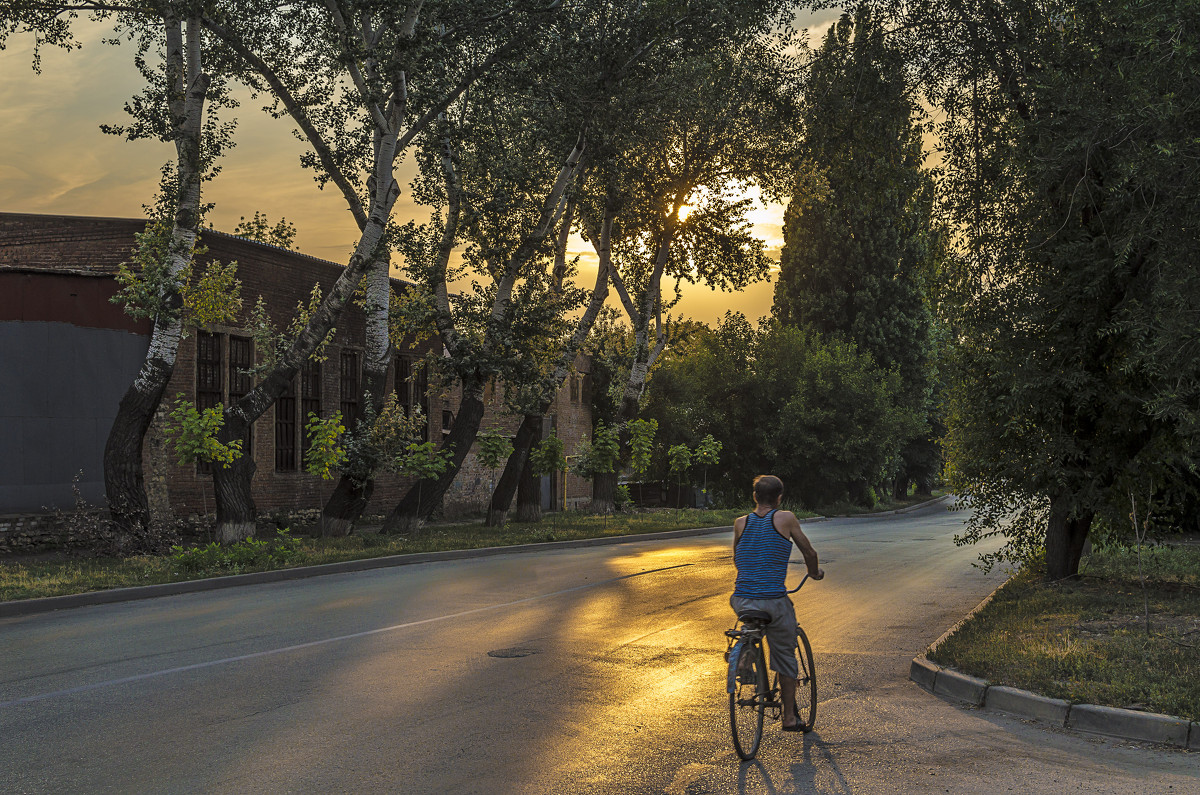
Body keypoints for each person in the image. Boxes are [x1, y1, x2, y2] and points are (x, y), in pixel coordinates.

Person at [731, 474, 823, 731]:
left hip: (741, 599)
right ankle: (789, 718)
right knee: (784, 654)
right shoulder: (786, 518)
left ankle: (747, 649)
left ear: (755, 497)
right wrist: (814, 572)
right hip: (773, 600)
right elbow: (809, 552)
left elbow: (738, 560)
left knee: (752, 618)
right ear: (779, 497)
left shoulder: (740, 523)